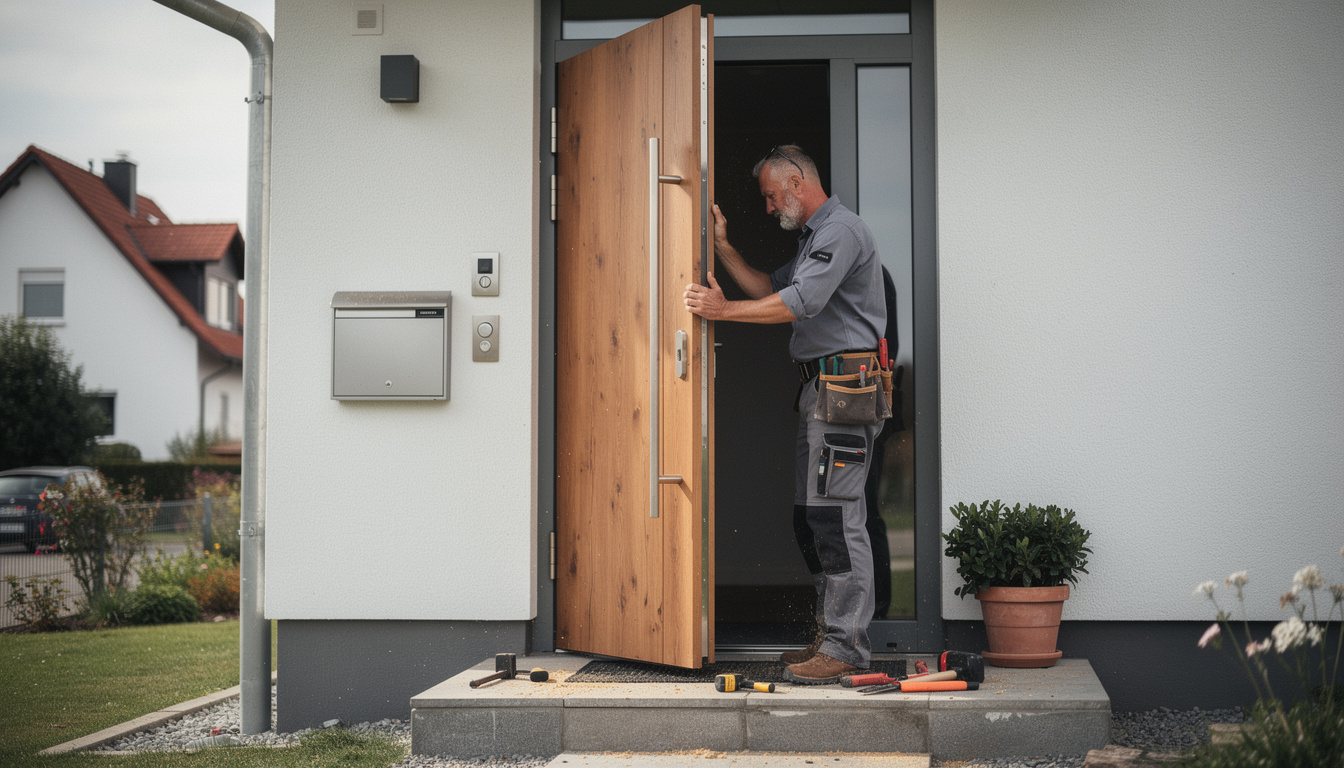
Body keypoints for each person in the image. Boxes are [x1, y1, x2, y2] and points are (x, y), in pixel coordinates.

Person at [683, 145, 887, 684]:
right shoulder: (814, 239)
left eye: (773, 196)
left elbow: (802, 302)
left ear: (797, 182)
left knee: (838, 520)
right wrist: (724, 249)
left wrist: (722, 312)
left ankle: (847, 647)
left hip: (844, 393)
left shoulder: (841, 230)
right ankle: (830, 635)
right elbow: (772, 290)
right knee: (810, 518)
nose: (771, 208)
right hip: (820, 393)